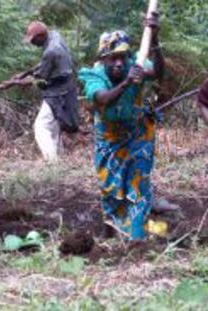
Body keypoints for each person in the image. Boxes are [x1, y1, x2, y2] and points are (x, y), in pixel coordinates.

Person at [78, 14, 166, 240]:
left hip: (138, 137)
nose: (118, 63)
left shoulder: (135, 65)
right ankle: (110, 232)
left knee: (138, 186)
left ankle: (137, 239)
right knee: (111, 190)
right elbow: (103, 99)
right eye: (112, 58)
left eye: (123, 57)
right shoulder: (94, 76)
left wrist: (154, 40)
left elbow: (157, 73)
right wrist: (128, 81)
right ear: (103, 59)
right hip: (109, 141)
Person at [17, 21, 79, 161]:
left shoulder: (51, 51)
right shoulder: (55, 37)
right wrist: (26, 73)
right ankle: (59, 161)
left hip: (58, 93)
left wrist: (23, 82)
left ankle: (52, 163)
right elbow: (45, 65)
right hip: (67, 89)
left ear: (41, 36)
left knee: (41, 126)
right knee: (53, 126)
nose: (32, 43)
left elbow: (41, 80)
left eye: (33, 40)